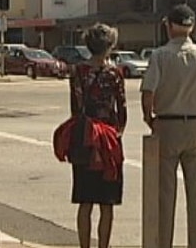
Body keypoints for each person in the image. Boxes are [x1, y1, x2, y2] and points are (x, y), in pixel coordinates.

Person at [140, 4, 196, 248]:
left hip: (167, 123)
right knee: (195, 192)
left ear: (169, 26)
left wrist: (149, 118)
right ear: (192, 27)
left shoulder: (160, 55)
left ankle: (164, 243)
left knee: (166, 194)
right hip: (195, 126)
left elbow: (148, 91)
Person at [69, 23, 126, 248]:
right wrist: (115, 132)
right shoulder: (115, 73)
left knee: (85, 200)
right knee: (107, 202)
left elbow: (75, 107)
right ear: (110, 46)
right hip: (109, 139)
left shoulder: (78, 72)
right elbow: (121, 111)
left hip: (85, 136)